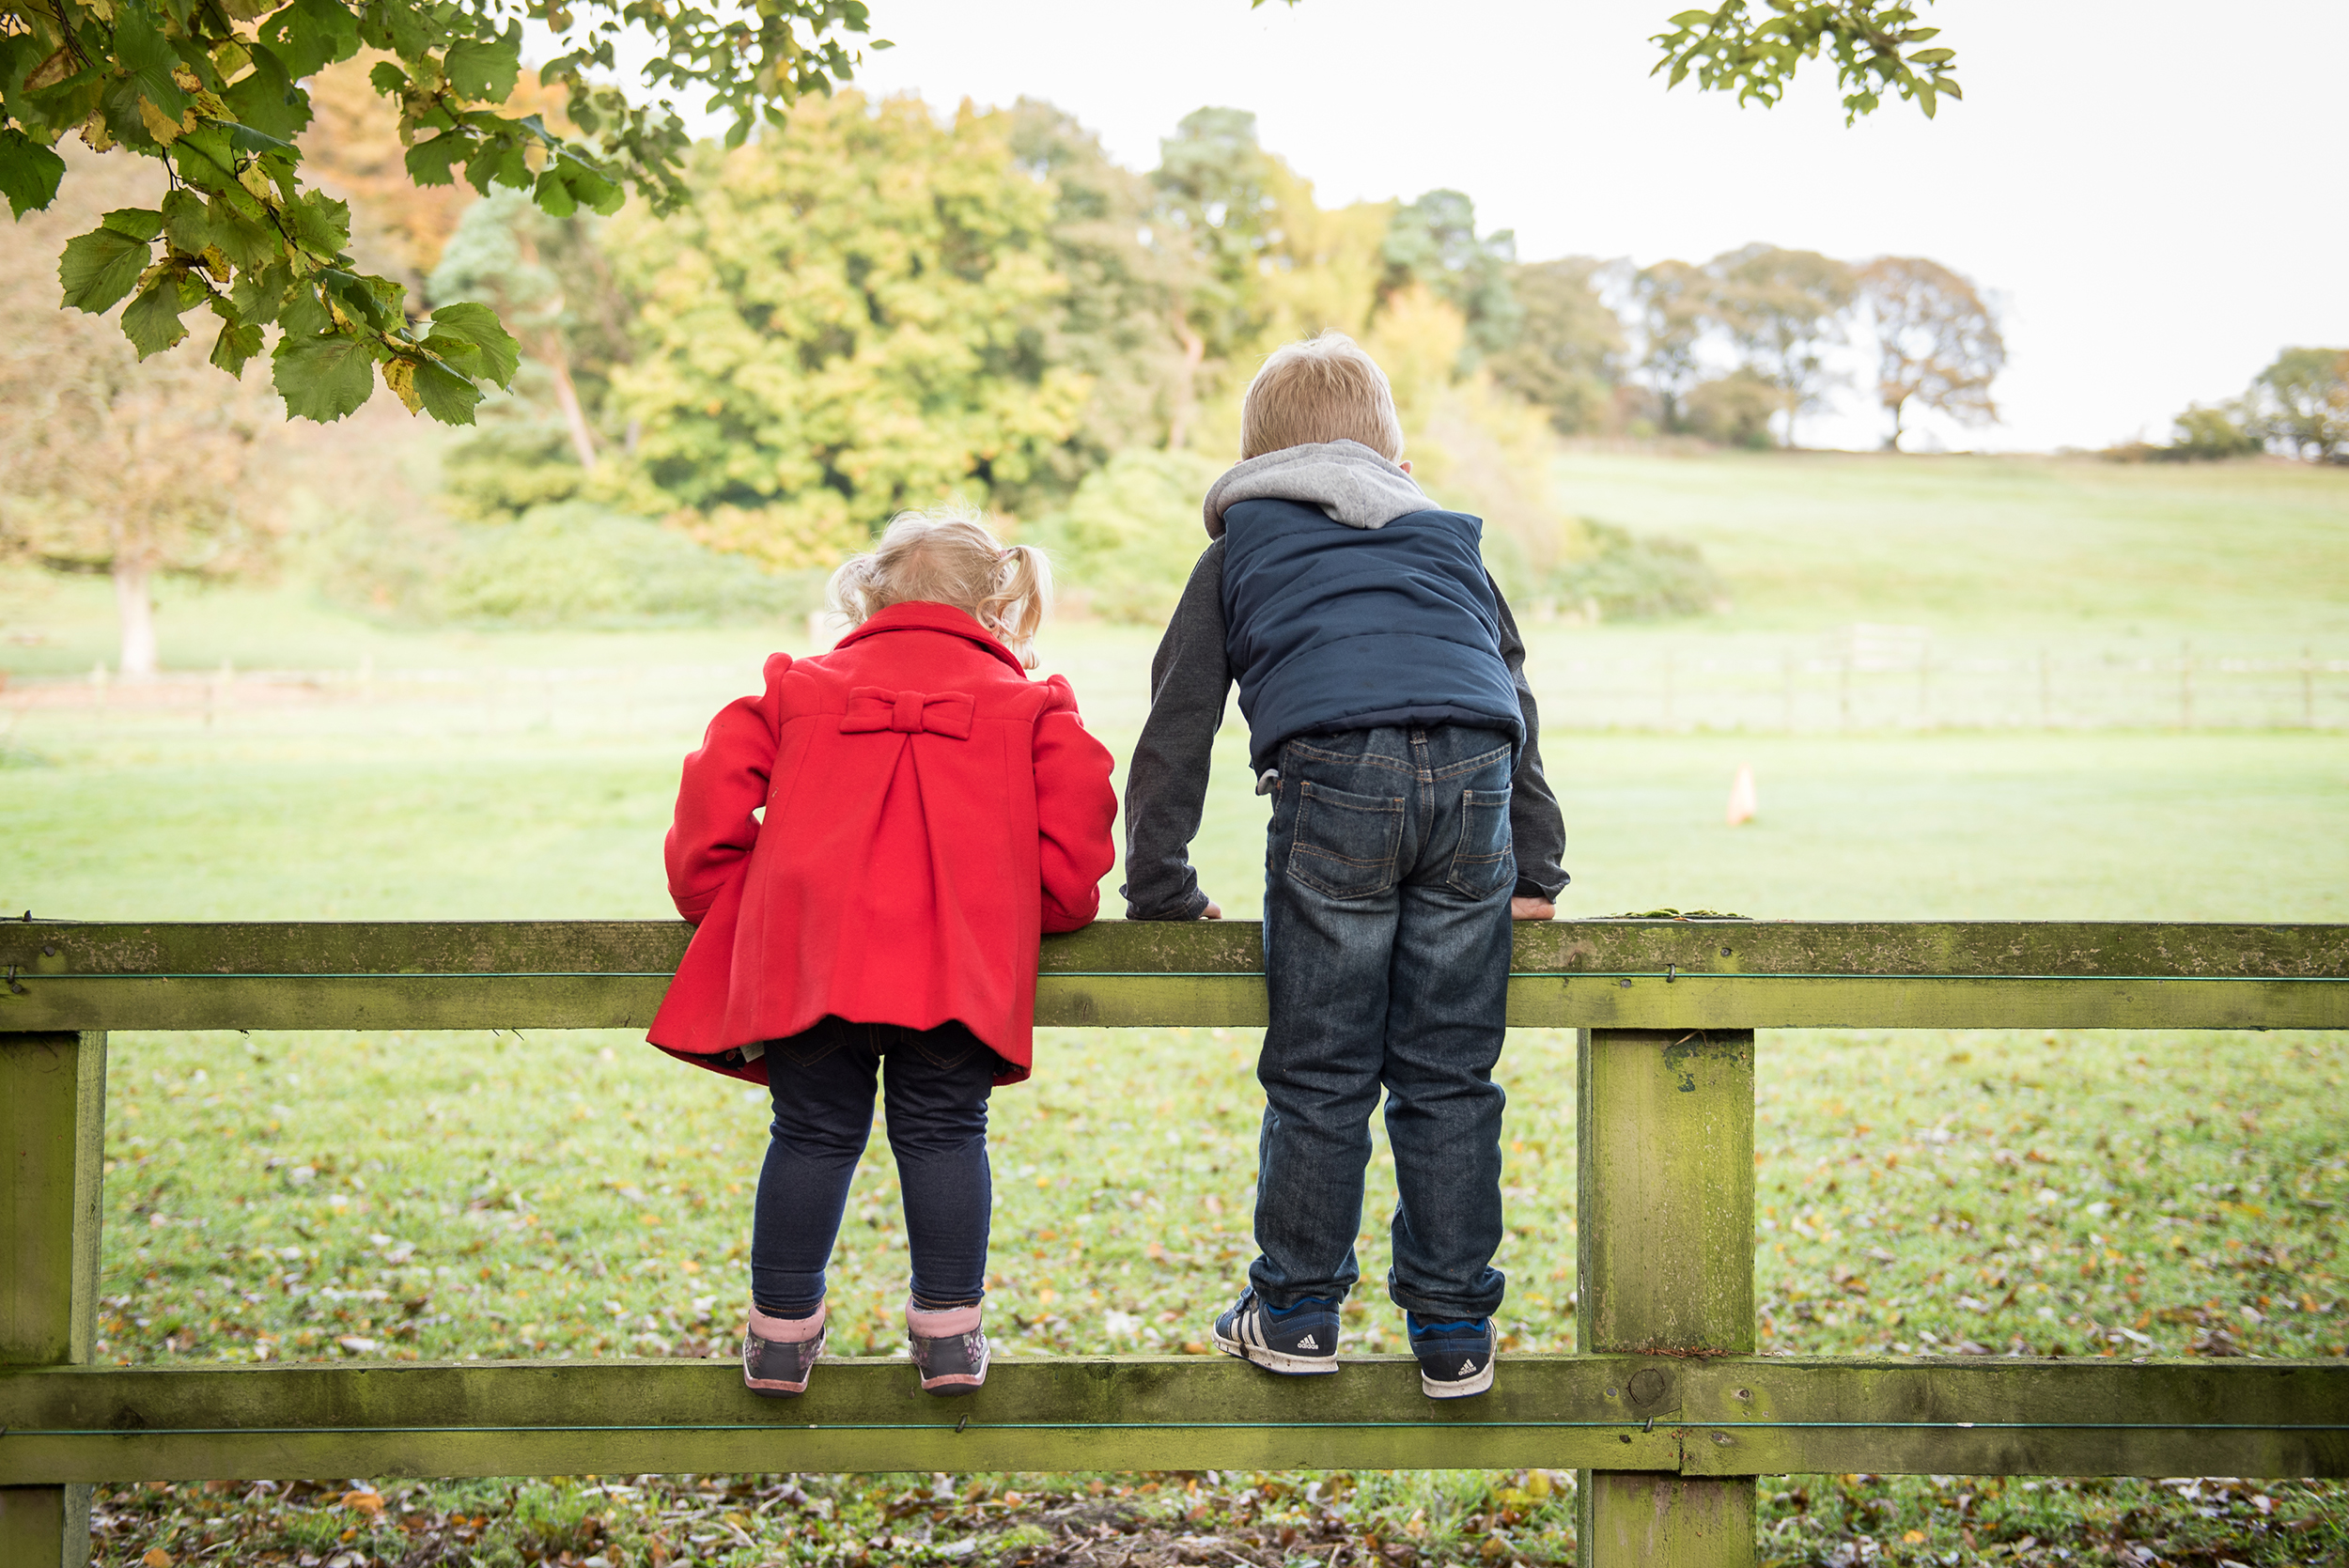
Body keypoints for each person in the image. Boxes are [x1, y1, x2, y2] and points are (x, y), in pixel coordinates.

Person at [1122, 332, 1569, 1399]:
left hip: (1336, 778)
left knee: (1322, 1067)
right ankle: (1455, 1329)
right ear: (1393, 458)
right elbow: (1517, 705)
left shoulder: (1240, 550)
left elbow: (1178, 719)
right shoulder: (1447, 542)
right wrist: (1536, 869)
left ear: (1254, 462)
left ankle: (1297, 1311)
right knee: (1449, 1072)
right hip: (1474, 778)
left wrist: (1159, 886)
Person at [648, 507, 1117, 1399]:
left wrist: (735, 906)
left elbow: (708, 809)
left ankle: (779, 1335)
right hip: (956, 971)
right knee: (945, 1129)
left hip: (810, 962)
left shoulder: (797, 686)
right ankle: (948, 1334)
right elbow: (1077, 845)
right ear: (1000, 603)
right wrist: (1035, 911)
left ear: (869, 591)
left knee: (812, 1131)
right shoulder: (1030, 704)